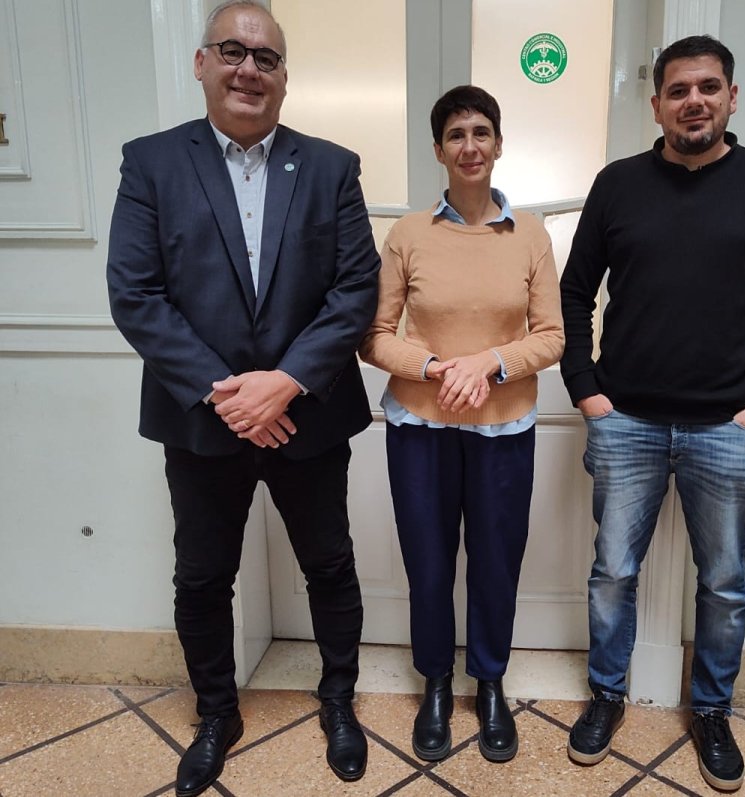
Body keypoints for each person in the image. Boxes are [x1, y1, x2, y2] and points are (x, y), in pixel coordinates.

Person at [106, 2, 380, 793]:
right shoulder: (152, 162)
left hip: (311, 412)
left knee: (330, 565)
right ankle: (217, 712)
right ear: (201, 63)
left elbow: (355, 287)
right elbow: (136, 292)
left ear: (285, 78)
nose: (248, 69)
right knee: (201, 576)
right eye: (232, 51)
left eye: (266, 58)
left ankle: (339, 701)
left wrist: (286, 381)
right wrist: (228, 394)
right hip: (203, 417)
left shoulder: (331, 166)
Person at [559, 35, 745, 792]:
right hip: (626, 421)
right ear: (658, 104)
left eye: (708, 87)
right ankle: (607, 696)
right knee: (612, 572)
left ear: (731, 98)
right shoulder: (617, 184)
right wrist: (588, 391)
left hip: (729, 426)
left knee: (725, 582)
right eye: (679, 90)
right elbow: (575, 294)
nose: (694, 101)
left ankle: (711, 708)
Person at [359, 85, 564, 764]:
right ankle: (438, 684)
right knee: (428, 560)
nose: (470, 146)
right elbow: (376, 336)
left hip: (505, 426)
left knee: (497, 560)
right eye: (456, 135)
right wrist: (441, 367)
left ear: (499, 144)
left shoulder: (530, 232)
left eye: (481, 132)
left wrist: (492, 364)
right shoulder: (410, 234)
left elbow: (554, 336)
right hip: (419, 425)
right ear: (440, 149)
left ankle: (491, 680)